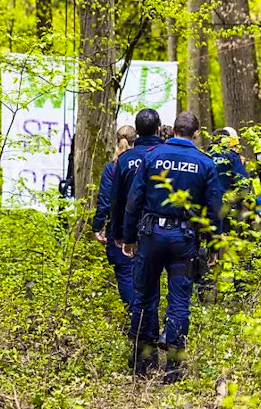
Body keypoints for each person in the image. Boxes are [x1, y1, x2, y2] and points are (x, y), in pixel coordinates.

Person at [122, 111, 223, 383]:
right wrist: (214, 245)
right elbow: (214, 209)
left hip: (151, 236)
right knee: (179, 300)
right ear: (196, 133)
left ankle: (142, 362)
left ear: (172, 129)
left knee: (144, 296)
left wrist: (129, 237)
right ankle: (173, 369)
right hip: (184, 240)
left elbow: (135, 199)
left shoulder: (152, 156)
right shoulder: (204, 163)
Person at [109, 109, 165, 335]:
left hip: (134, 228)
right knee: (152, 283)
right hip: (159, 229)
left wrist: (118, 233)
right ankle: (149, 333)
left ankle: (142, 334)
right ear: (158, 128)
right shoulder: (164, 155)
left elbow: (117, 200)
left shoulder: (124, 159)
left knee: (141, 284)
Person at [92, 125, 138, 310]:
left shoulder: (112, 167)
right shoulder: (146, 164)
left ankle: (134, 314)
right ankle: (143, 315)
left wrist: (98, 226)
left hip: (119, 229)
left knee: (125, 273)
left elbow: (105, 200)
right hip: (144, 228)